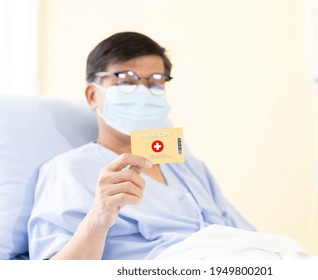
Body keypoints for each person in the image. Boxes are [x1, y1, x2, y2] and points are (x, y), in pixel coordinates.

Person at [27, 32, 255, 260]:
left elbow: (248, 239)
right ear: (92, 95)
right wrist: (99, 217)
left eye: (155, 81)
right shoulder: (69, 170)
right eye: (126, 80)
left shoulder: (189, 167)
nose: (143, 93)